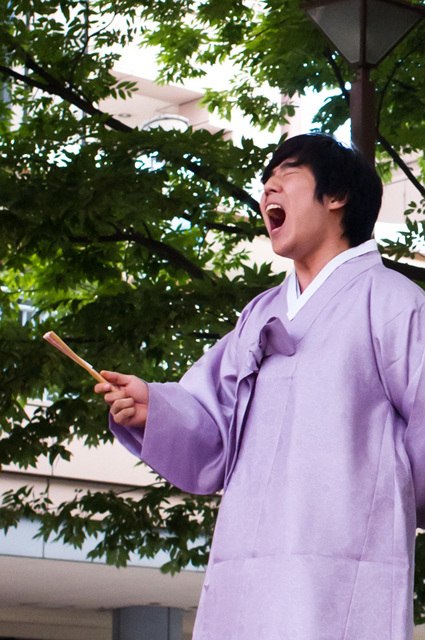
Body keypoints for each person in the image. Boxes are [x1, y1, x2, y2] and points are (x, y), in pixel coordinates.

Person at [95, 133, 425, 640]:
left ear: (337, 196)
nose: (268, 188)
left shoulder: (395, 302)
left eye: (286, 174)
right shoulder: (258, 314)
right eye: (265, 179)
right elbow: (210, 418)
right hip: (245, 560)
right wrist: (154, 407)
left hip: (345, 561)